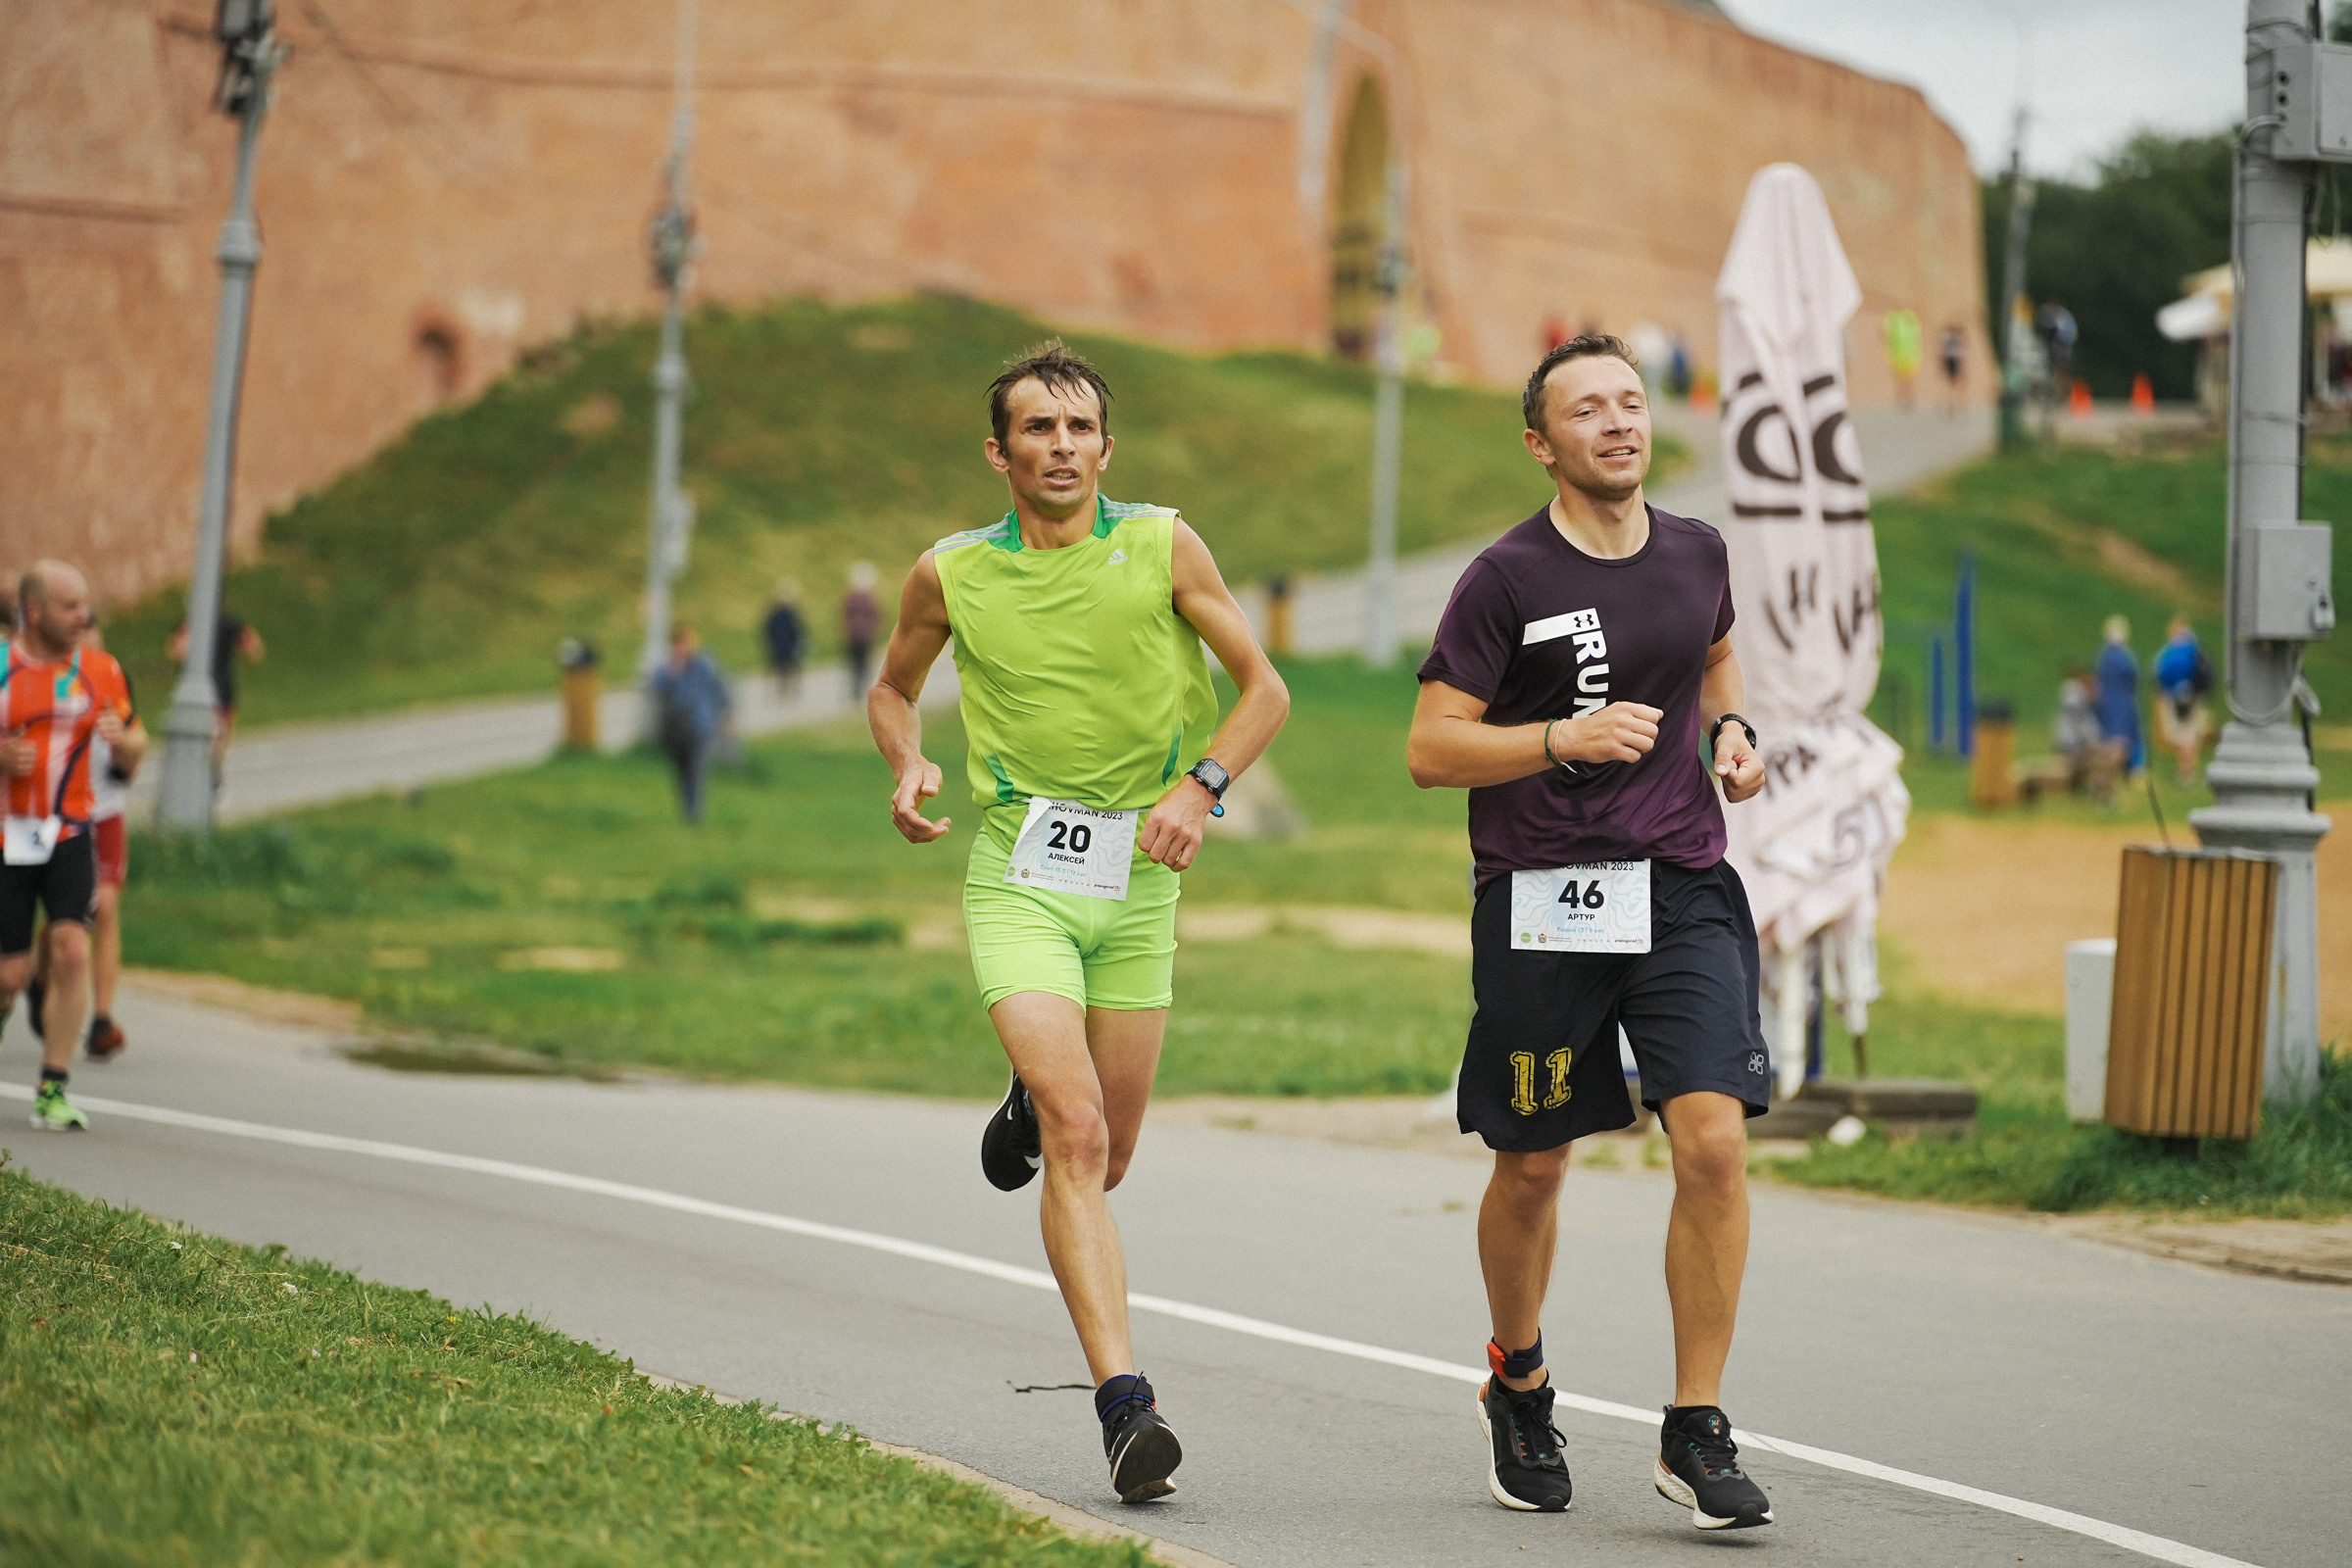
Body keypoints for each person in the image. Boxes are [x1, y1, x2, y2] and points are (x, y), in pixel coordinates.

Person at [866, 341, 1288, 1505]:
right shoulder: (951, 571)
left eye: (1079, 428)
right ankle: (1124, 1405)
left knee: (1112, 1151)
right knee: (1080, 1135)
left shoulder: (1162, 544)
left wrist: (1200, 788)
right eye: (1037, 429)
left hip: (1140, 877)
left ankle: (1031, 1097)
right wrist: (906, 762)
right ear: (997, 452)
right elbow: (893, 686)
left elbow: (1264, 689)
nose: (1060, 446)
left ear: (1107, 448)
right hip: (1019, 874)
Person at [1406, 335, 1773, 1532]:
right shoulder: (1503, 579)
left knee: (1713, 1139)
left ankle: (1696, 1424)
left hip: (1681, 883)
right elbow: (1431, 748)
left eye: (1630, 402)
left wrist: (1731, 733)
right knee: (1536, 1160)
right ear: (1540, 442)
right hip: (1543, 896)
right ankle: (1518, 1380)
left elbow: (1715, 653)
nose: (1618, 423)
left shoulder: (1698, 551)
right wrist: (1557, 739)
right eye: (1586, 410)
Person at [2, 563, 136, 1132]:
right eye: (70, 606)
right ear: (34, 612)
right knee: (9, 977)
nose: (84, 617)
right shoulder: (2, 668)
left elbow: (136, 743)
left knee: (73, 949)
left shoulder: (100, 669)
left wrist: (125, 744)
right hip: (7, 835)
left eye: (86, 605)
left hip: (70, 831)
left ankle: (52, 1089)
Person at [28, 622, 146, 1060]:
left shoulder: (112, 681)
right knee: (66, 918)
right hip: (56, 813)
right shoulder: (40, 680)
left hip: (105, 811)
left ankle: (101, 1019)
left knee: (104, 907)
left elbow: (134, 752)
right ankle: (40, 977)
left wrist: (123, 746)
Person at [650, 623, 731, 822]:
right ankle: (687, 807)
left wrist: (726, 714)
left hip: (700, 725)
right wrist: (673, 672)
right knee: (682, 769)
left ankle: (694, 813)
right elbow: (657, 689)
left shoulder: (703, 665)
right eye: (679, 644)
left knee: (695, 767)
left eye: (687, 643)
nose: (684, 648)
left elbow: (718, 688)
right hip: (675, 729)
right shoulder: (667, 668)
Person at [167, 612, 265, 775]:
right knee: (220, 737)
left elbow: (176, 651)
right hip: (222, 689)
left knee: (208, 735)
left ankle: (207, 773)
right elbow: (254, 648)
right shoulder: (228, 624)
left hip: (198, 689)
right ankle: (213, 773)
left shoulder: (190, 623)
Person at [2152, 617, 2213, 786]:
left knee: (2182, 733)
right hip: (2194, 696)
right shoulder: (2194, 650)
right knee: (2191, 733)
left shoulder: (2168, 652)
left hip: (2175, 697)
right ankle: (2189, 769)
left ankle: (2186, 770)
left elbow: (2158, 674)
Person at [2094, 614, 2143, 778]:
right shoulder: (2122, 656)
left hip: (2109, 702)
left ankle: (2115, 770)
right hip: (2121, 702)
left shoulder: (2104, 655)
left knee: (2114, 736)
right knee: (2120, 738)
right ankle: (2119, 770)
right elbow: (2134, 675)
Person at [760, 578, 807, 700]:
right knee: (789, 669)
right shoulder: (791, 613)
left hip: (778, 645)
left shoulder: (772, 612)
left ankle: (780, 693)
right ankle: (786, 692)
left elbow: (766, 629)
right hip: (787, 646)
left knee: (780, 670)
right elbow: (798, 630)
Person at [842, 563, 881, 697]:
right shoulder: (871, 599)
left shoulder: (850, 598)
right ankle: (864, 689)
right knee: (865, 664)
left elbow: (844, 615)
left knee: (855, 664)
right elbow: (876, 616)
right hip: (866, 636)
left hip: (853, 635)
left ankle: (856, 690)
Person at [1883, 308, 1923, 409]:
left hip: (1909, 355)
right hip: (1898, 355)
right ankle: (1901, 398)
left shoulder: (1910, 319)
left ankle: (1909, 399)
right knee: (1899, 379)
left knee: (1908, 380)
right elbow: (1885, 335)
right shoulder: (1894, 319)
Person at [1939, 324, 1966, 415]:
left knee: (1951, 383)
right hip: (1954, 360)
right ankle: (1955, 402)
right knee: (1955, 383)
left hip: (1949, 360)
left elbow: (1942, 352)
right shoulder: (1957, 339)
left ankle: (1952, 403)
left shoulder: (1946, 337)